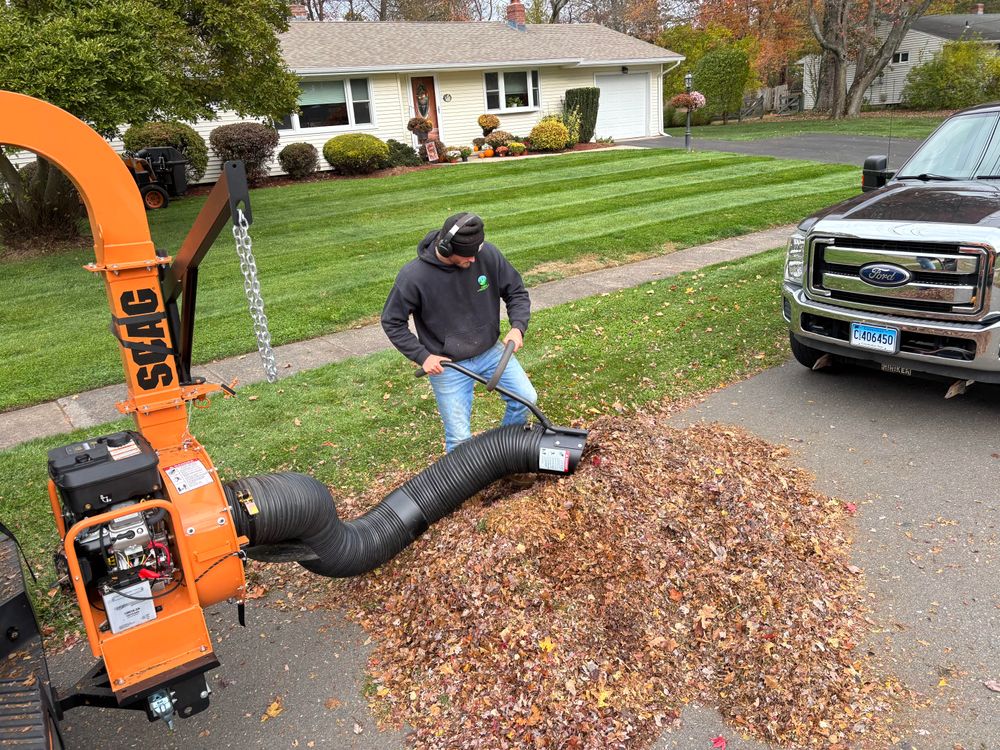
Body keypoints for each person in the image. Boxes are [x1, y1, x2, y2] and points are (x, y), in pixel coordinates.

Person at [381, 212, 536, 453]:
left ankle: (504, 453)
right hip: (449, 364)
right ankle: (465, 486)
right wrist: (424, 357)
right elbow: (392, 321)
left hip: (491, 352)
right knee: (459, 440)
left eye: (477, 252)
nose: (474, 260)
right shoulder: (414, 276)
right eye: (467, 255)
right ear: (446, 246)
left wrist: (517, 327)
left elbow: (515, 291)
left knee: (525, 399)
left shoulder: (487, 255)